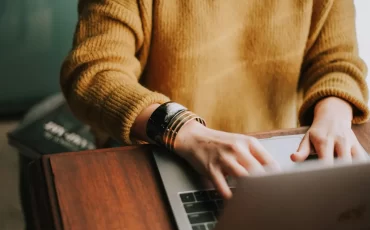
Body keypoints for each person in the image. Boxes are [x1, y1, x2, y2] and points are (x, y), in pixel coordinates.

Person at [60, 0, 369, 199]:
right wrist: (184, 130)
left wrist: (334, 115)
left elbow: (337, 60)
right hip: (161, 156)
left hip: (274, 163)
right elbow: (94, 73)